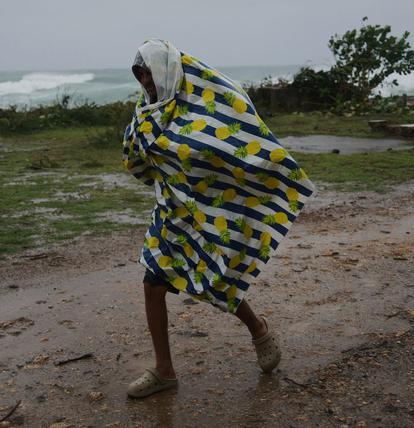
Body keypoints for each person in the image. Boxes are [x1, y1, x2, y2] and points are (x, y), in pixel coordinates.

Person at [122, 39, 316, 398]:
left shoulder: (205, 106)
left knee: (216, 279)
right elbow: (138, 155)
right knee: (152, 283)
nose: (145, 80)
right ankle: (164, 371)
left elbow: (233, 142)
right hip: (170, 212)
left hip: (208, 211)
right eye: (139, 74)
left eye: (149, 71)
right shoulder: (147, 111)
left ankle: (259, 329)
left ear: (165, 69)